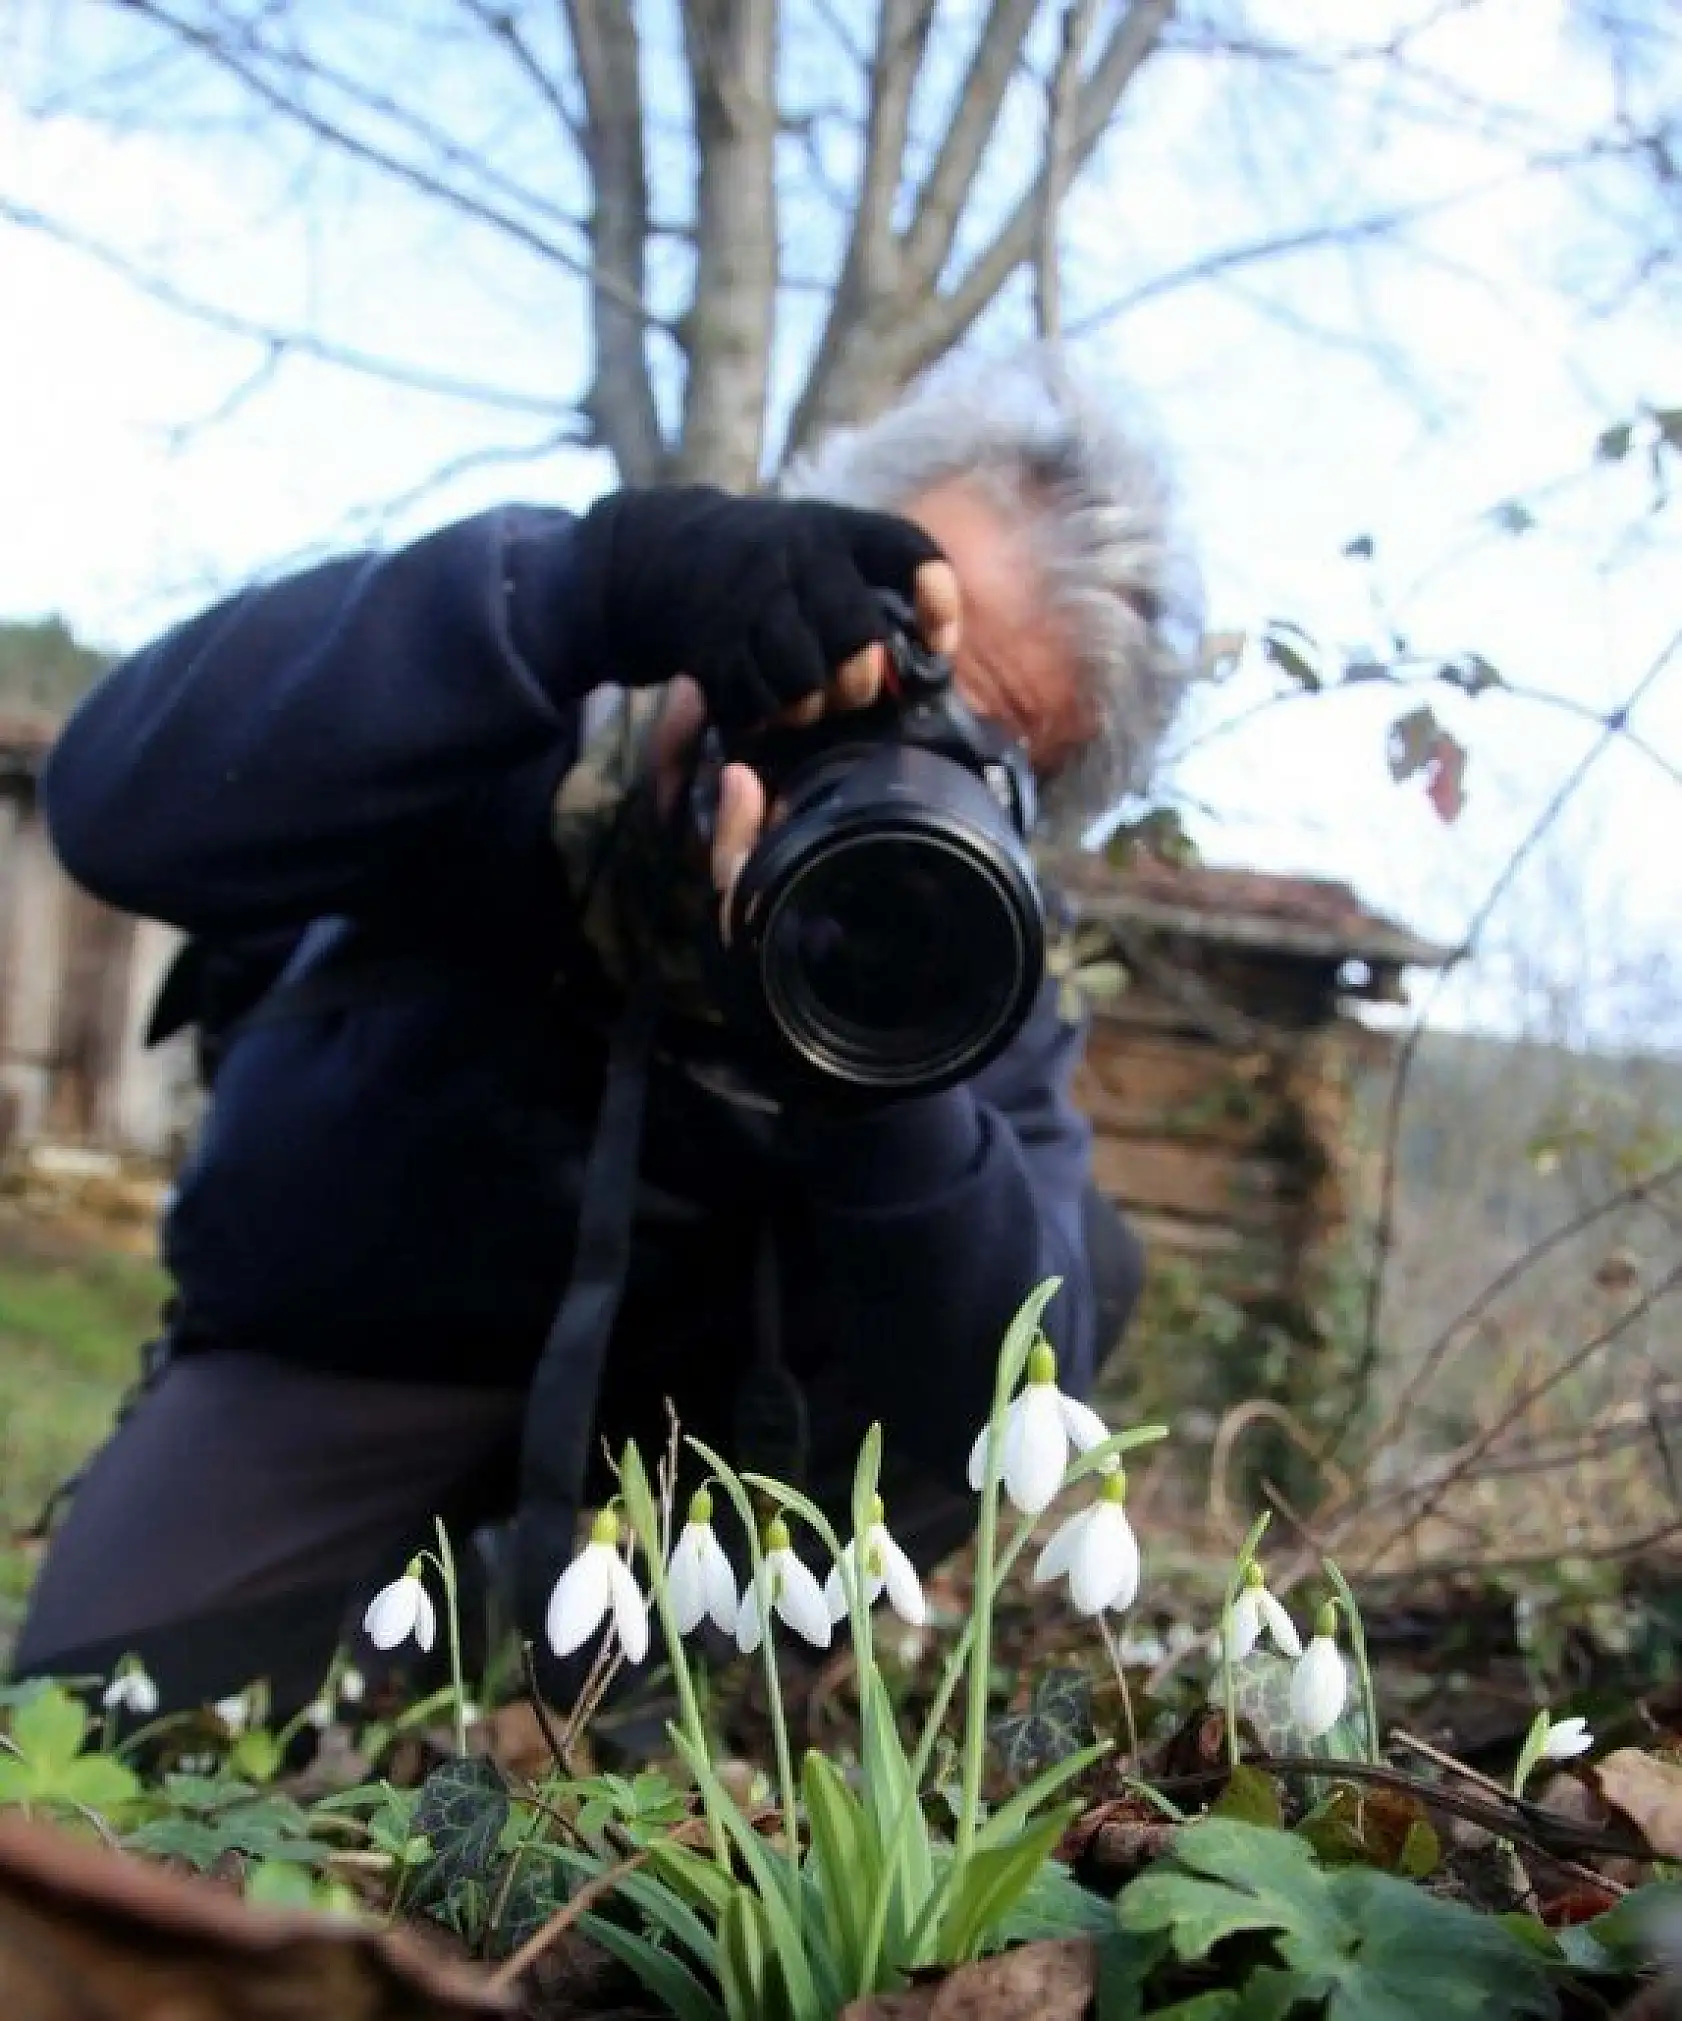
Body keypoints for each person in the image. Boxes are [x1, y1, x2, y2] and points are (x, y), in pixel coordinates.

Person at [9, 347, 1199, 1719]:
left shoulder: (970, 967)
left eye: (962, 750)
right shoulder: (513, 722)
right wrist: (584, 588)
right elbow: (113, 804)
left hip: (690, 1454)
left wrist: (869, 1042)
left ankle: (648, 1694)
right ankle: (413, 1621)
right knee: (93, 1724)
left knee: (1075, 1268)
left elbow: (995, 1418)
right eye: (874, 663)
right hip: (352, 1341)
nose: (879, 746)